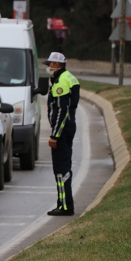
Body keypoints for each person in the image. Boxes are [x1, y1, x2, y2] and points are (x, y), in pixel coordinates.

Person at [44, 52, 80, 216]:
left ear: (57, 65)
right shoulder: (69, 78)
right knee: (63, 167)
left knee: (61, 169)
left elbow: (61, 111)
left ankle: (65, 206)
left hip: (63, 130)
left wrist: (55, 135)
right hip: (68, 128)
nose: (48, 67)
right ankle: (64, 204)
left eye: (50, 64)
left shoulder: (61, 82)